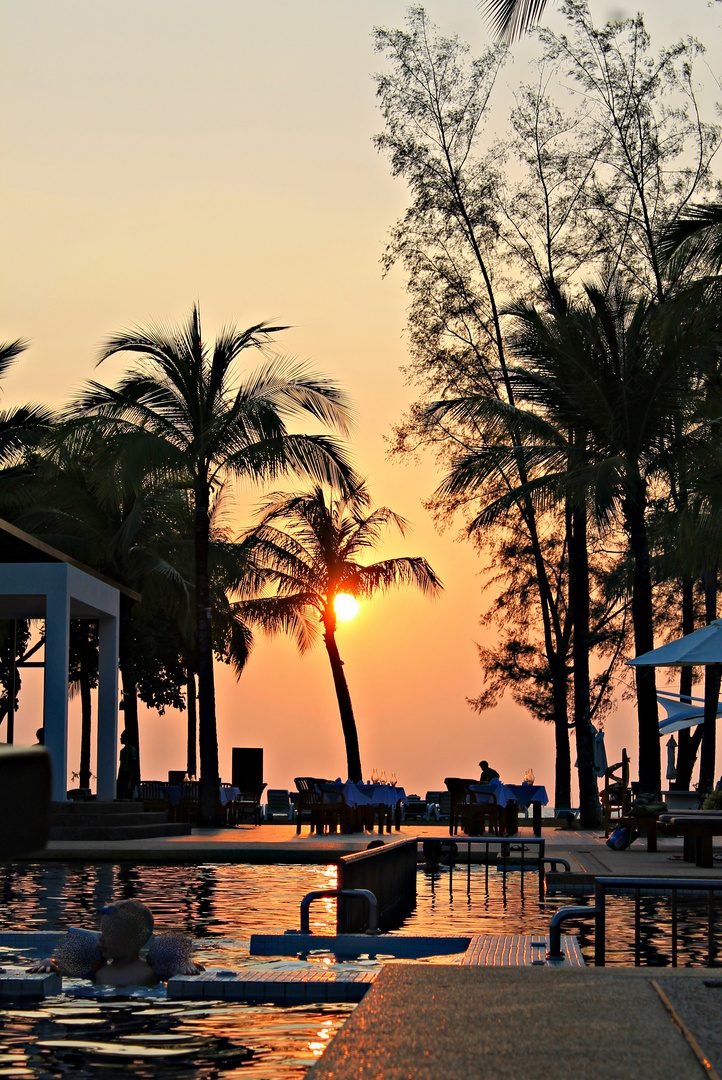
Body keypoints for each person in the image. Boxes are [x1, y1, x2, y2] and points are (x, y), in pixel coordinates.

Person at [27, 898, 203, 986]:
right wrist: (48, 963)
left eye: (110, 933)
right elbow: (60, 966)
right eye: (102, 931)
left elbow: (196, 970)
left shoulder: (152, 970)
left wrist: (186, 964)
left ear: (136, 939)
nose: (101, 938)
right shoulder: (98, 969)